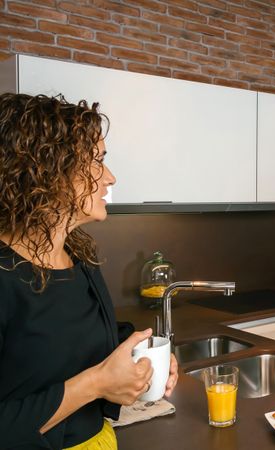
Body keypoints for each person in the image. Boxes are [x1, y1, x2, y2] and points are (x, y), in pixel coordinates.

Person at [0, 93, 179, 449]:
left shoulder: (78, 257)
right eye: (96, 161)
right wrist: (97, 383)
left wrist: (139, 359)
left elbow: (78, 341)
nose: (109, 177)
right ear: (44, 169)